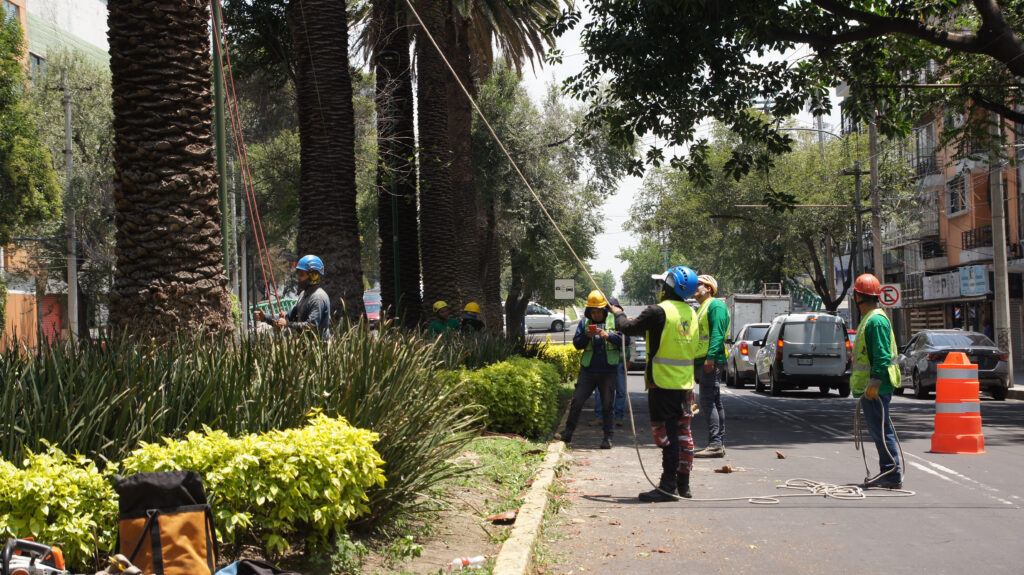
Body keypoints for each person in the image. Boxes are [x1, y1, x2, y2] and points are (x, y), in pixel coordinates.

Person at [610, 266, 700, 502]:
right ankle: (684, 484)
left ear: (669, 285)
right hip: (685, 385)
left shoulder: (658, 311)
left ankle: (667, 487)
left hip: (663, 384)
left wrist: (618, 311)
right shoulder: (691, 313)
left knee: (668, 437)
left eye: (662, 284)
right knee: (684, 435)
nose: (659, 288)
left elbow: (626, 328)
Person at [850, 273, 903, 489]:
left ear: (858, 297)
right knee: (879, 430)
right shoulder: (870, 319)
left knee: (882, 431)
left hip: (877, 387)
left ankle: (892, 474)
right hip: (872, 387)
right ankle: (888, 471)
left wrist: (874, 383)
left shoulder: (876, 321)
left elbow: (881, 356)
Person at [556, 290, 623, 450]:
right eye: (592, 311)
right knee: (577, 401)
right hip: (588, 370)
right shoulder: (584, 323)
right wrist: (587, 335)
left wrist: (609, 336)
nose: (596, 314)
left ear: (604, 310)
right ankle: (568, 433)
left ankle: (607, 438)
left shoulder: (615, 320)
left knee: (608, 405)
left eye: (598, 311)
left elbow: (625, 341)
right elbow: (577, 344)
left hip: (608, 371)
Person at [692, 274, 730, 458]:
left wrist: (711, 358)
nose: (695, 287)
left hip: (710, 360)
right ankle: (718, 443)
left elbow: (717, 333)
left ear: (708, 288)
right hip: (703, 359)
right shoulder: (702, 308)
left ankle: (715, 443)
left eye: (698, 285)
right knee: (713, 400)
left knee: (708, 400)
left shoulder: (716, 305)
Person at [592, 297, 629, 428]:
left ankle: (618, 417)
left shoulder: (622, 321)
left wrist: (630, 360)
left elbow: (628, 342)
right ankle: (599, 417)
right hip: (604, 363)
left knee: (621, 391)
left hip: (619, 361)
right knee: (600, 391)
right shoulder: (600, 321)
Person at [275, 254, 331, 337]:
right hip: (306, 346)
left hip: (319, 347)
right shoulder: (303, 294)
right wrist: (265, 317)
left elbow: (311, 326)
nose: (298, 278)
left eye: (301, 275)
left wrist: (287, 324)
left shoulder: (318, 297)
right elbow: (290, 316)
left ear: (313, 277)